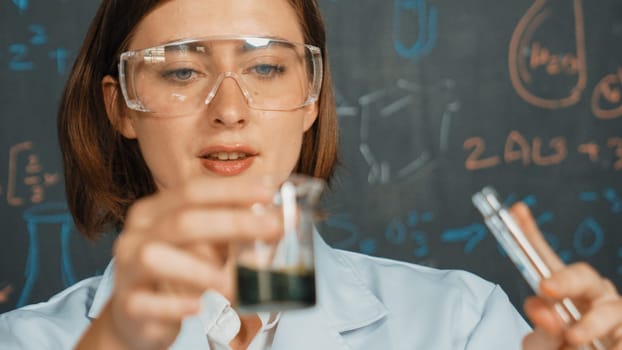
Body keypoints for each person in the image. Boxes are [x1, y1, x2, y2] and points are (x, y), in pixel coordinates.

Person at [0, 0, 620, 349]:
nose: (230, 110)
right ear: (120, 108)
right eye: (182, 71)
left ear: (311, 102)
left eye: (267, 69)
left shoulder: (459, 323)